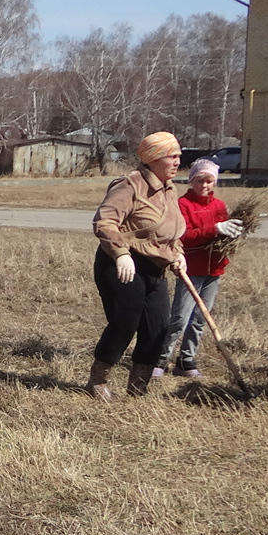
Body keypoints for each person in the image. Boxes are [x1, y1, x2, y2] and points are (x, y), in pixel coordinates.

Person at [86, 132, 187, 400]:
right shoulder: (130, 185)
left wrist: (178, 253)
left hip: (155, 267)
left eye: (178, 156)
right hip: (122, 264)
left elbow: (170, 230)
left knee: (158, 325)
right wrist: (120, 253)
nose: (177, 161)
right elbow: (105, 221)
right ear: (153, 158)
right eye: (171, 156)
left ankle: (138, 386)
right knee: (126, 321)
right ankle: (98, 381)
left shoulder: (170, 189)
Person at [155, 158, 244, 380]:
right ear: (191, 181)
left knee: (199, 319)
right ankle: (160, 360)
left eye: (209, 181)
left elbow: (224, 236)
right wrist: (215, 229)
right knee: (180, 317)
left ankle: (186, 361)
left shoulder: (219, 206)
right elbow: (184, 236)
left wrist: (233, 233)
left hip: (214, 269)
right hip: (191, 268)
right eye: (199, 180)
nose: (204, 185)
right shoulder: (183, 204)